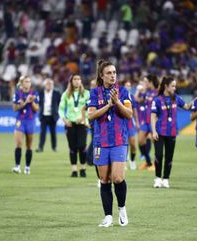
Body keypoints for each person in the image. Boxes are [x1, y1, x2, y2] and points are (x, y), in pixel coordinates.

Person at [87, 59, 132, 227]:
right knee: (104, 180)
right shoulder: (94, 93)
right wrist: (108, 105)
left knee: (118, 177)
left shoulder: (124, 92)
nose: (113, 75)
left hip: (119, 140)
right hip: (101, 141)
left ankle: (122, 209)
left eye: (114, 72)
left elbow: (129, 114)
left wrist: (117, 102)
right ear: (101, 75)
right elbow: (91, 116)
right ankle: (107, 216)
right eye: (109, 73)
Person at [151, 76, 193, 188]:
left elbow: (187, 107)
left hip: (172, 131)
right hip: (160, 131)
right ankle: (158, 178)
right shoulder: (157, 100)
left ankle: (166, 179)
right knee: (158, 155)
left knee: (169, 157)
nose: (174, 88)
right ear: (166, 86)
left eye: (175, 86)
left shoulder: (177, 98)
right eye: (173, 86)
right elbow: (153, 116)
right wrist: (154, 131)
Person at [59, 74, 90, 177]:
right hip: (70, 124)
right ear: (71, 82)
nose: (77, 81)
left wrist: (83, 117)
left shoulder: (86, 94)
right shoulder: (66, 94)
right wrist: (64, 119)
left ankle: (83, 169)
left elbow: (90, 108)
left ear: (81, 81)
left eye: (79, 79)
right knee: (72, 147)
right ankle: (74, 170)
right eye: (75, 79)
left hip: (82, 124)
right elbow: (61, 109)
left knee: (82, 146)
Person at [12, 76, 39, 174]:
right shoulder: (17, 94)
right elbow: (15, 108)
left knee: (29, 145)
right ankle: (17, 166)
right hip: (20, 120)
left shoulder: (35, 94)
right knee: (19, 143)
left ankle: (27, 167)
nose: (28, 83)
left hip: (30, 121)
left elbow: (36, 109)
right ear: (22, 83)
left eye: (29, 82)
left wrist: (31, 102)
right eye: (26, 81)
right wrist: (25, 102)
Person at [136, 75, 159, 170]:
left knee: (156, 144)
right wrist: (139, 91)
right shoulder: (147, 92)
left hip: (154, 121)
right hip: (145, 121)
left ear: (150, 82)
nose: (144, 83)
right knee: (140, 141)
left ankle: (156, 164)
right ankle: (148, 162)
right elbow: (137, 100)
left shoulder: (158, 92)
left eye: (146, 82)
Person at [36, 78, 61, 153]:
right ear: (44, 85)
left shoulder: (56, 93)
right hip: (43, 116)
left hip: (53, 116)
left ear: (53, 85)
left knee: (53, 133)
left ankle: (54, 147)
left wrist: (57, 112)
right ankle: (40, 147)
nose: (49, 85)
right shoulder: (40, 93)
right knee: (42, 132)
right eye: (47, 84)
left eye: (50, 84)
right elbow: (38, 103)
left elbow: (60, 103)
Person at [124, 81, 139, 170]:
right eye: (127, 85)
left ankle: (132, 160)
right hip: (122, 123)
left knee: (133, 144)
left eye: (129, 86)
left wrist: (137, 122)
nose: (128, 87)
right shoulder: (120, 96)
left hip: (130, 123)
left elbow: (135, 111)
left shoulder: (132, 97)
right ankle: (124, 162)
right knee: (123, 144)